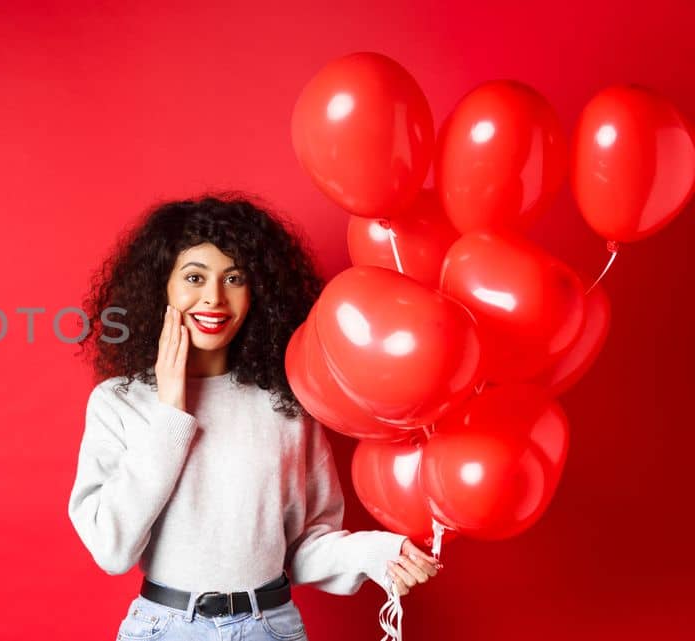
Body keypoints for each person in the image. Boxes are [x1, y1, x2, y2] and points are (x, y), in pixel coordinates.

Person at [68, 195, 441, 641]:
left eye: (234, 278)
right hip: (164, 629)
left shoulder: (285, 403)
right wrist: (171, 410)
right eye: (194, 277)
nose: (214, 298)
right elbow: (112, 550)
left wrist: (376, 553)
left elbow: (304, 547)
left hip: (270, 627)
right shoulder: (119, 403)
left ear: (256, 291)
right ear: (161, 288)